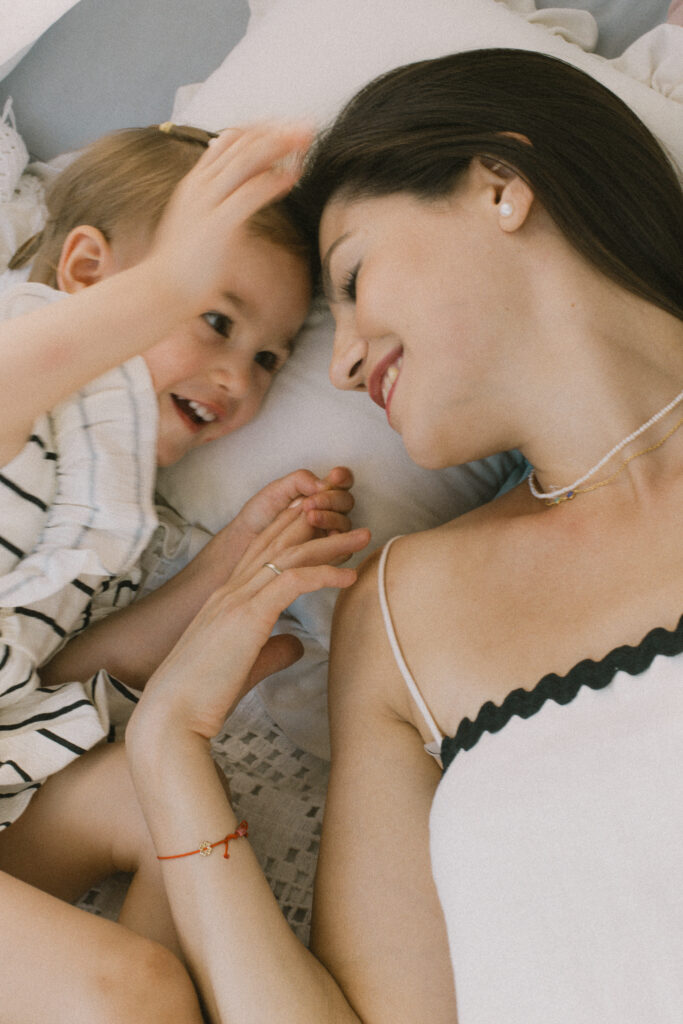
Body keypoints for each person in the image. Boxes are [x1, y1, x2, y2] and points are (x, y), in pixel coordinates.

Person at [123, 48, 683, 1023]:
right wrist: (166, 746)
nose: (340, 365)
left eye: (352, 276)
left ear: (499, 186)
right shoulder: (401, 608)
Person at [0, 121, 371, 1023]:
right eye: (215, 318)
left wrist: (227, 570)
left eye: (268, 357)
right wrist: (166, 285)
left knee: (170, 808)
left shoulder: (118, 504)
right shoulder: (25, 348)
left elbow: (52, 679)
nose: (237, 377)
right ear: (88, 274)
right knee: (140, 992)